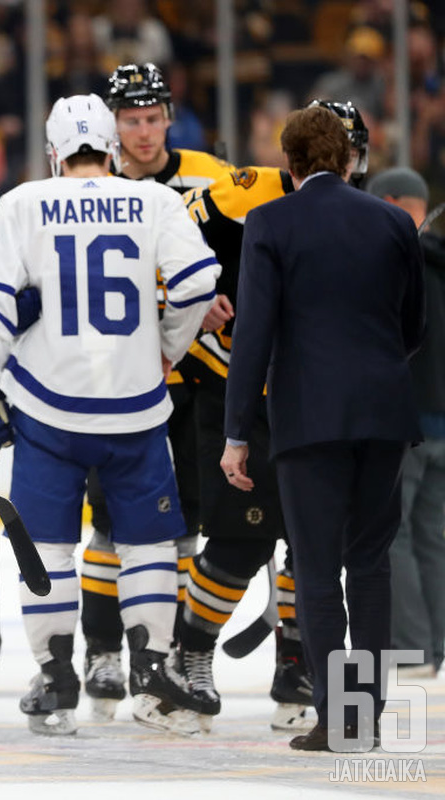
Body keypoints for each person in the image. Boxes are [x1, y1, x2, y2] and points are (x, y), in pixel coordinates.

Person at [0, 93, 219, 738]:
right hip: (136, 405)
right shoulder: (156, 200)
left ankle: (55, 675)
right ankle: (152, 669)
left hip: (48, 406)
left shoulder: (21, 202)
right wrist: (164, 346)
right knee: (150, 544)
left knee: (46, 545)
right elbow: (195, 283)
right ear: (111, 146)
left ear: (53, 152)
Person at [221, 104, 424, 752]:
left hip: (308, 416)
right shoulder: (394, 219)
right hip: (385, 411)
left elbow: (251, 333)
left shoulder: (269, 220)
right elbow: (414, 322)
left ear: (291, 162)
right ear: (346, 158)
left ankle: (334, 715)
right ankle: (365, 712)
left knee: (314, 568)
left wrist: (234, 433)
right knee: (369, 564)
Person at [174, 99, 372, 733]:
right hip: (244, 393)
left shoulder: (371, 222)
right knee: (239, 539)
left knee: (317, 546)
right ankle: (190, 657)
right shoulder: (249, 194)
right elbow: (168, 236)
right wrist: (193, 292)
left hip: (318, 402)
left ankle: (297, 663)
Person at [76, 62, 237, 718]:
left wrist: (234, 295)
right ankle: (103, 651)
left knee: (188, 527)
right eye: (130, 121)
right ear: (113, 125)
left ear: (170, 116)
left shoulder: (212, 176)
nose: (144, 133)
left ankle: (173, 660)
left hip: (203, 378)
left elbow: (246, 258)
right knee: (112, 524)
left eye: (152, 118)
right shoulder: (95, 187)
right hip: (124, 378)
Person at [365, 167, 444, 679]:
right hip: (442, 422)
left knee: (393, 532)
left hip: (405, 418)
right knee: (433, 533)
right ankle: (435, 644)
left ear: (392, 203)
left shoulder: (393, 260)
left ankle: (413, 649)